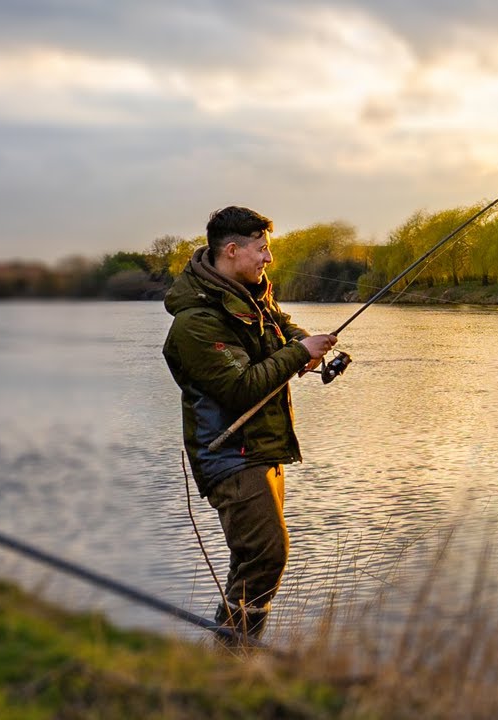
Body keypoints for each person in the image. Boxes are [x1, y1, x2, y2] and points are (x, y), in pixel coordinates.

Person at [162, 205, 337, 644]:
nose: (268, 259)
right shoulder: (196, 321)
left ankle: (229, 660)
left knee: (254, 559)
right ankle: (234, 653)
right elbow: (240, 388)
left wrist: (305, 346)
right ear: (233, 250)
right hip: (229, 455)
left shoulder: (253, 295)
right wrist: (299, 355)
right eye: (262, 250)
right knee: (265, 555)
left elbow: (281, 327)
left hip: (262, 448)